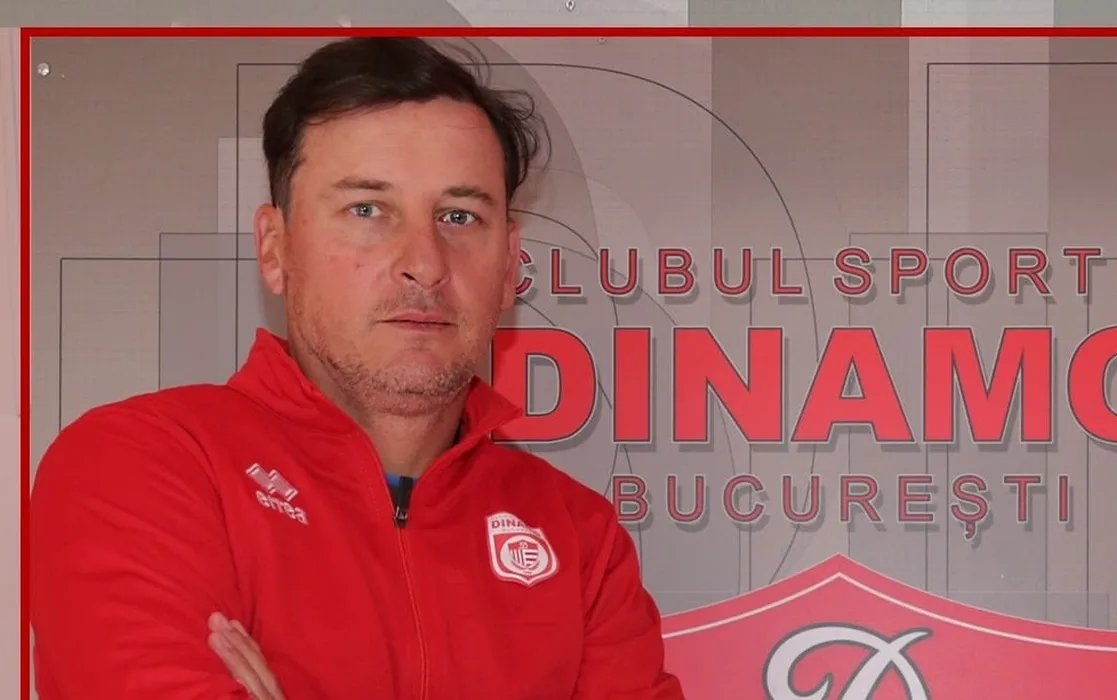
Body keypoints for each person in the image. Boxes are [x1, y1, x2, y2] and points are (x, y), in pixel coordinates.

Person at [30, 36, 685, 700]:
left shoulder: (579, 540)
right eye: (367, 210)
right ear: (276, 247)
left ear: (511, 262)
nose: (424, 263)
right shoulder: (144, 465)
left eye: (459, 216)